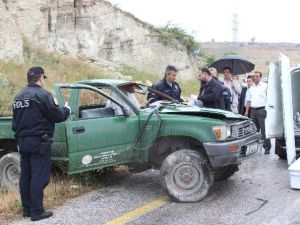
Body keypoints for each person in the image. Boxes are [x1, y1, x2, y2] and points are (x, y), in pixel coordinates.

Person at [12, 67, 70, 221]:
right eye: (43, 78)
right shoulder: (43, 95)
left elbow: (15, 123)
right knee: (39, 177)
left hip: (22, 141)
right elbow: (57, 116)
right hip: (39, 142)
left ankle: (27, 209)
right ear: (40, 77)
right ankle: (37, 212)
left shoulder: (18, 97)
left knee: (26, 176)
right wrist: (66, 110)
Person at [244, 71, 271, 154]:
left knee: (264, 130)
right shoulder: (251, 88)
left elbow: (270, 98)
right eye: (254, 76)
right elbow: (248, 100)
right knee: (254, 131)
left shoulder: (265, 86)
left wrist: (269, 109)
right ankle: (253, 149)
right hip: (253, 111)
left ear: (260, 77)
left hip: (262, 110)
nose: (255, 78)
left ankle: (267, 148)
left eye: (257, 76)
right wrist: (246, 111)